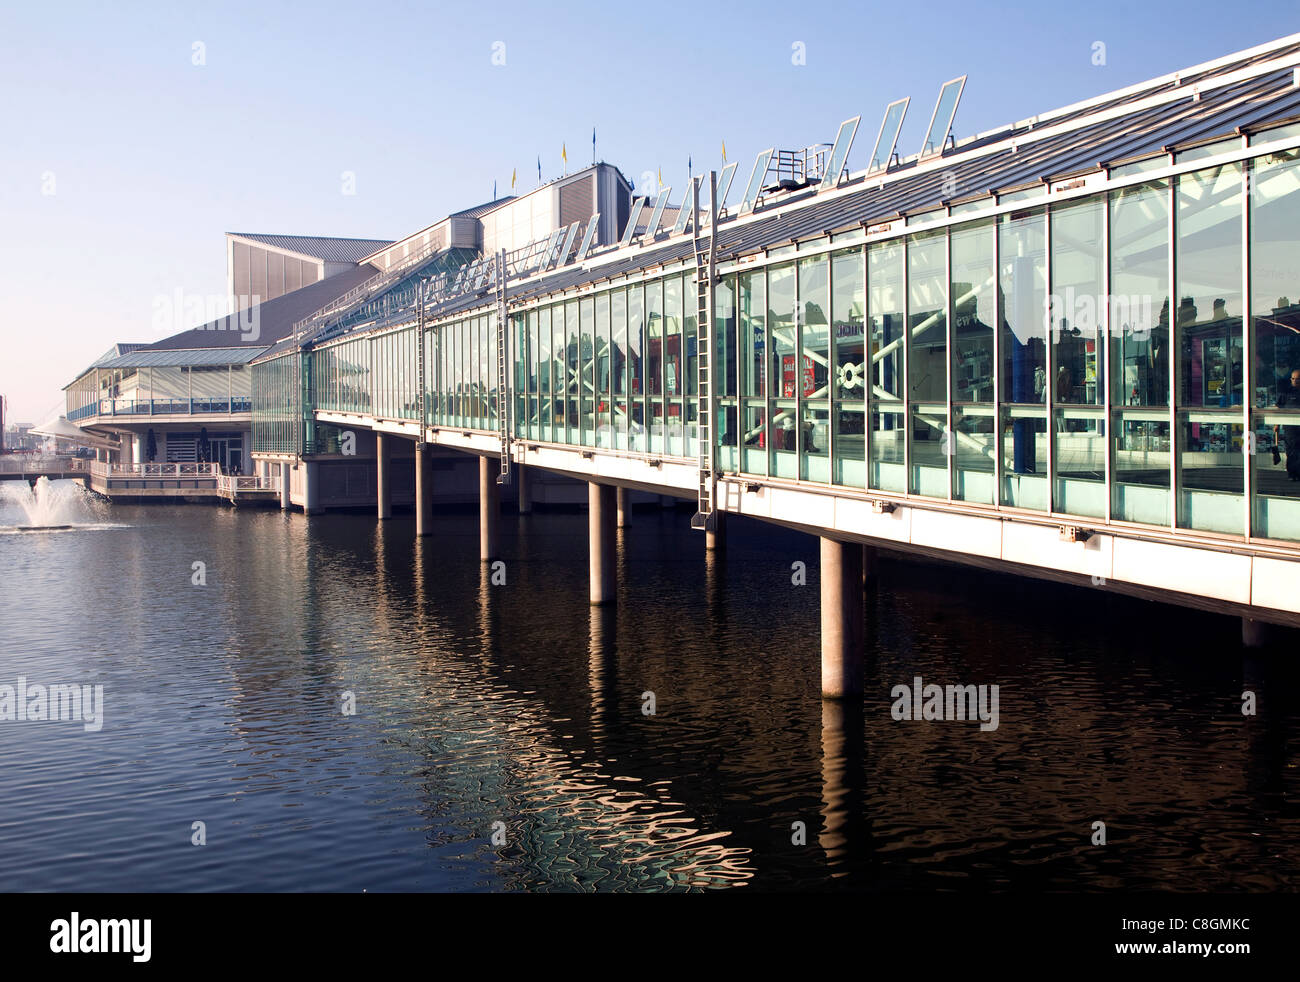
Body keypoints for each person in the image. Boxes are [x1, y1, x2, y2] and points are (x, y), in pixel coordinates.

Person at [1275, 369, 1300, 480]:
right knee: (1291, 450)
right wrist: (1276, 424)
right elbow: (1278, 408)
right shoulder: (1285, 392)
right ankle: (1292, 474)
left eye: (1298, 379)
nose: (1295, 381)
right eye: (1293, 378)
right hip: (1290, 427)